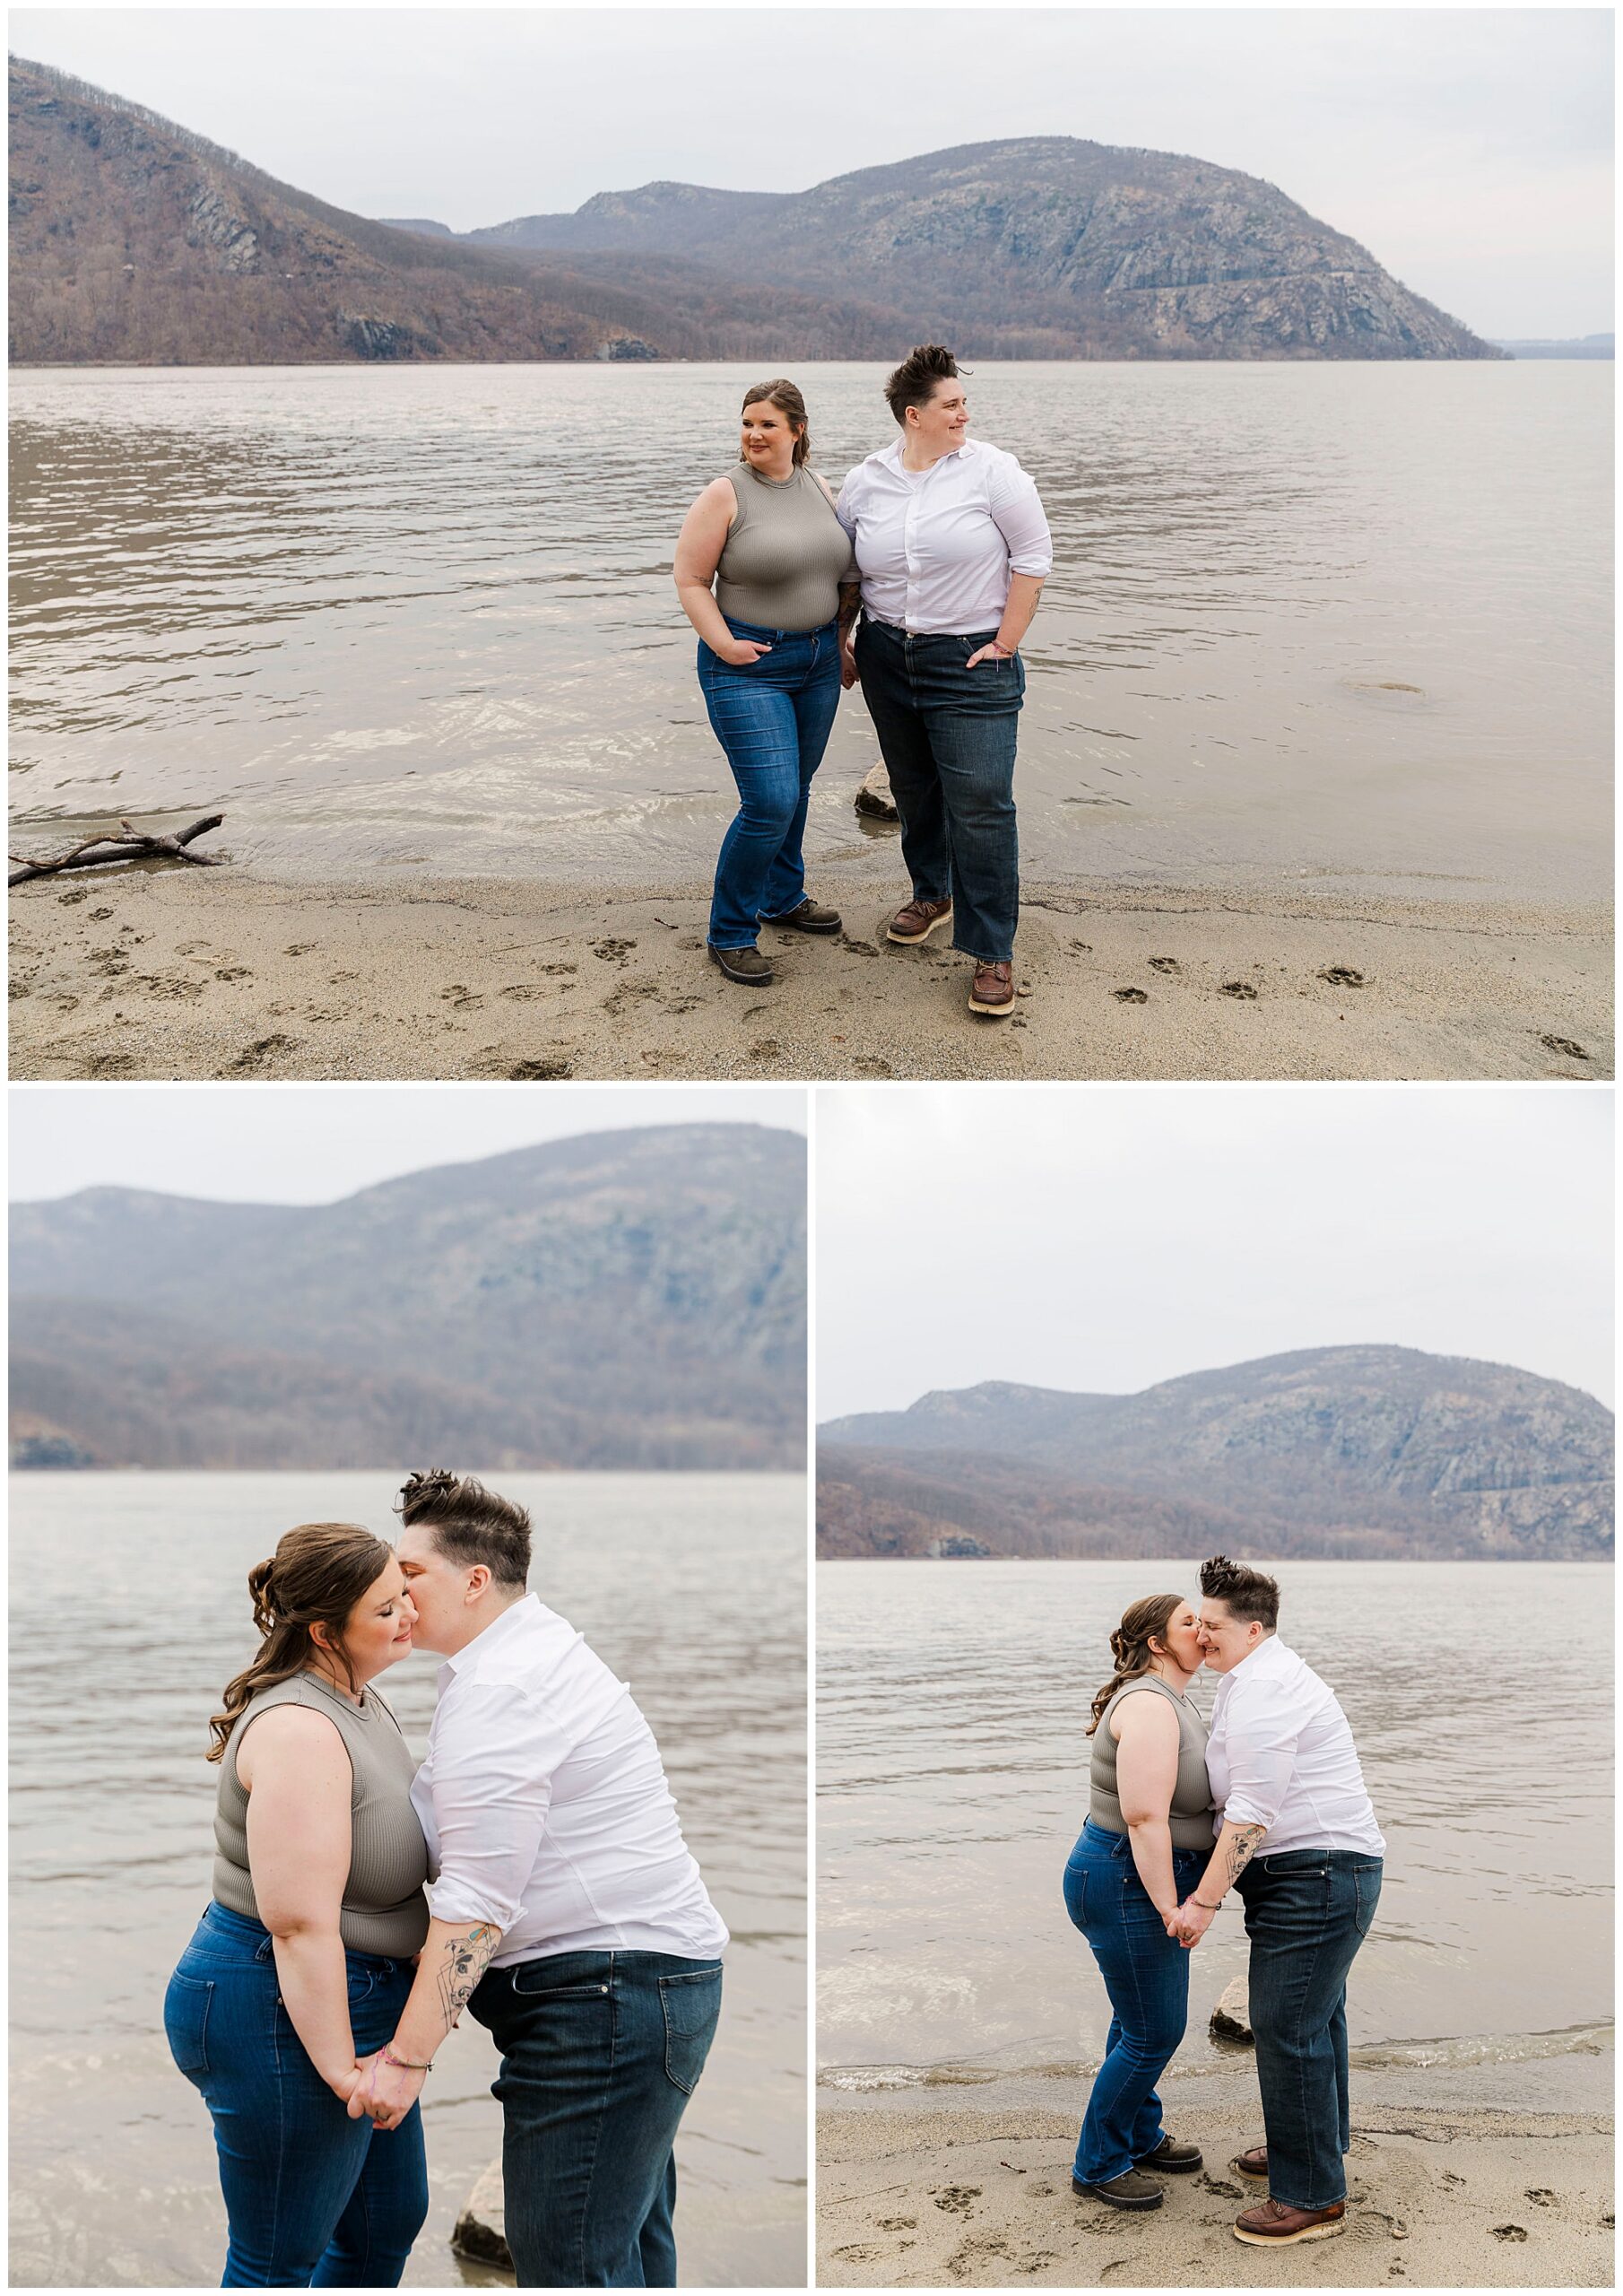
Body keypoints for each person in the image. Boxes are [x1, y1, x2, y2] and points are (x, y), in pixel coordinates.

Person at [349, 1472, 729, 2290]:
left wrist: (407, 2062)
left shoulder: (505, 1689)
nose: (395, 1592)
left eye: (411, 1574)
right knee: (624, 2253)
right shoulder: (526, 1650)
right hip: (641, 1989)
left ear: (475, 1579)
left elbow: (479, 1907)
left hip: (608, 2003)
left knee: (569, 2268)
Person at [163, 1523, 431, 2287]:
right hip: (275, 2003)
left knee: (385, 2229)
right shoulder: (299, 1730)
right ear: (324, 1630)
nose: (408, 1613)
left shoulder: (363, 1700)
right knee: (278, 2257)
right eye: (385, 1609)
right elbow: (299, 1923)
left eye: (404, 1594)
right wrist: (343, 2074)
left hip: (355, 1993)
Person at [1174, 1555, 1385, 2248]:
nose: (1200, 1635)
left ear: (1254, 1627)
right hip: (1316, 1872)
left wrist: (1202, 1903)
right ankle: (1315, 2147)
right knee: (1313, 2020)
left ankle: (1311, 2197)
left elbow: (1252, 1813)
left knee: (1285, 2024)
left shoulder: (1266, 1689)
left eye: (1212, 1626)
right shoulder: (1250, 1677)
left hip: (1319, 1875)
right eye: (1197, 1623)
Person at [837, 344, 1053, 1017]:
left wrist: (1005, 643)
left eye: (964, 402)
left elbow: (1034, 557)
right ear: (915, 415)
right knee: (913, 787)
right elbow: (849, 570)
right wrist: (843, 638)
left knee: (984, 803)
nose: (965, 412)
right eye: (951, 404)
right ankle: (933, 893)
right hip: (884, 653)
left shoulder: (994, 472)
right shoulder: (867, 479)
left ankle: (992, 951)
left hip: (969, 660)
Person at [673, 377, 860, 987]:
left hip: (817, 662)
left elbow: (836, 574)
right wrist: (723, 641)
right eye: (747, 423)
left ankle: (782, 897)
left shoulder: (817, 485)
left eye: (767, 424)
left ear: (797, 431)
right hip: (747, 667)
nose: (753, 434)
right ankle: (730, 932)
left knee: (797, 787)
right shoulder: (725, 495)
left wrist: (838, 641)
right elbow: (690, 580)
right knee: (770, 800)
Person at [1062, 1594, 1216, 2212]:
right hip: (1130, 1877)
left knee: (1137, 2020)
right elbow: (1145, 1816)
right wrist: (1170, 1906)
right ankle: (1097, 2162)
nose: (1203, 1632)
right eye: (1189, 1623)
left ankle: (1138, 2133)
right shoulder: (1151, 1706)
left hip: (1130, 1874)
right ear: (1157, 1643)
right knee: (1155, 2031)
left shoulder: (1172, 1698)